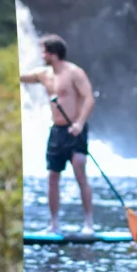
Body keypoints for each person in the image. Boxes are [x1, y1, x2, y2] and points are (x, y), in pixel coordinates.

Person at [20, 34, 96, 233]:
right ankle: (54, 225)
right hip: (57, 131)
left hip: (75, 130)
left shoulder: (74, 73)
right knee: (52, 177)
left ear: (54, 53)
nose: (42, 55)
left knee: (80, 172)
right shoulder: (43, 74)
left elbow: (89, 99)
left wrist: (79, 123)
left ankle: (88, 224)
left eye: (44, 51)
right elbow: (19, 76)